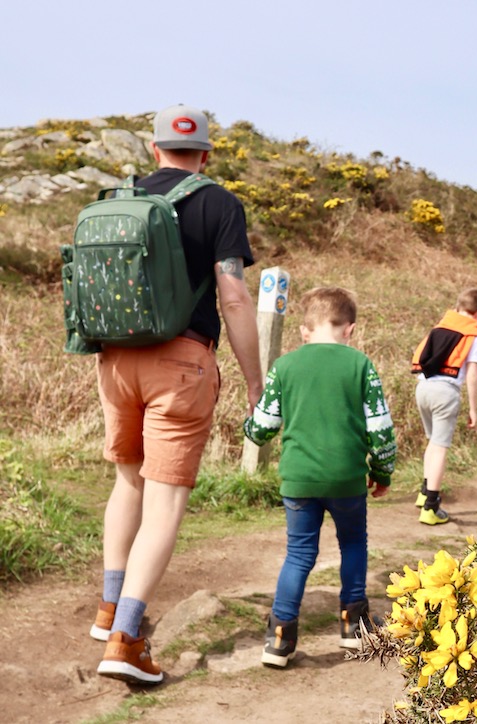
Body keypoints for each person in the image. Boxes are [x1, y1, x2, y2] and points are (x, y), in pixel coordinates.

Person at [91, 104, 263, 685]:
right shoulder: (219, 203)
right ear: (207, 155)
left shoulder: (118, 199)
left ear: (153, 149)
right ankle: (126, 640)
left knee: (128, 483)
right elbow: (234, 297)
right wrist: (256, 379)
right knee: (164, 503)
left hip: (115, 362)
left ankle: (109, 607)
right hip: (181, 363)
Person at [243, 286, 397, 668]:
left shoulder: (285, 366)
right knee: (353, 545)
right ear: (351, 330)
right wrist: (382, 473)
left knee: (299, 554)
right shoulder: (360, 365)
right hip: (347, 480)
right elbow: (381, 430)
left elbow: (261, 429)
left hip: (299, 481)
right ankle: (353, 625)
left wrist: (250, 423)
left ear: (303, 330)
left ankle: (279, 638)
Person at [411, 288, 477, 525]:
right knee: (441, 447)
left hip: (422, 388)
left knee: (433, 442)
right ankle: (431, 508)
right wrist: (473, 409)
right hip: (446, 392)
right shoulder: (473, 334)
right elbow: (472, 374)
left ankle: (424, 492)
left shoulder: (441, 326)